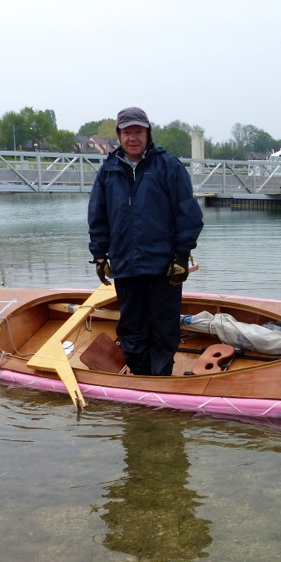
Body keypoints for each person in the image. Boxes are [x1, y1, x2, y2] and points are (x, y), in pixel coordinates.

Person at [88, 107, 204, 376]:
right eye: (127, 132)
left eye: (138, 132)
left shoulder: (169, 166)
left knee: (164, 327)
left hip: (163, 266)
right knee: (131, 327)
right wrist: (100, 256)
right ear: (119, 135)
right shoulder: (108, 171)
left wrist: (181, 257)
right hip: (125, 265)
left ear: (147, 133)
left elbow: (188, 214)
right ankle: (141, 377)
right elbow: (98, 216)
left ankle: (161, 378)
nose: (133, 138)